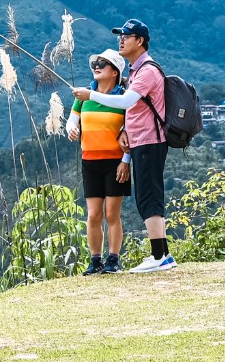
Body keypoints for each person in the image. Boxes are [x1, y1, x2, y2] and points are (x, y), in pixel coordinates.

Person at [71, 17, 174, 272]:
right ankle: (162, 254)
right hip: (140, 142)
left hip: (150, 140)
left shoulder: (147, 70)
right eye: (121, 36)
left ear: (140, 41)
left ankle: (159, 257)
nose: (121, 40)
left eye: (126, 36)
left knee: (149, 197)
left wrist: (91, 95)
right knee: (148, 196)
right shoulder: (136, 71)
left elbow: (127, 102)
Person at [64, 48, 131, 273]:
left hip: (115, 162)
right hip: (90, 161)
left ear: (115, 72)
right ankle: (95, 260)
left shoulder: (123, 99)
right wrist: (71, 128)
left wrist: (126, 160)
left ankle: (113, 260)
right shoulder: (84, 97)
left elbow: (131, 132)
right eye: (96, 63)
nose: (97, 66)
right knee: (93, 214)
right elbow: (72, 121)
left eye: (103, 63)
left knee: (112, 214)